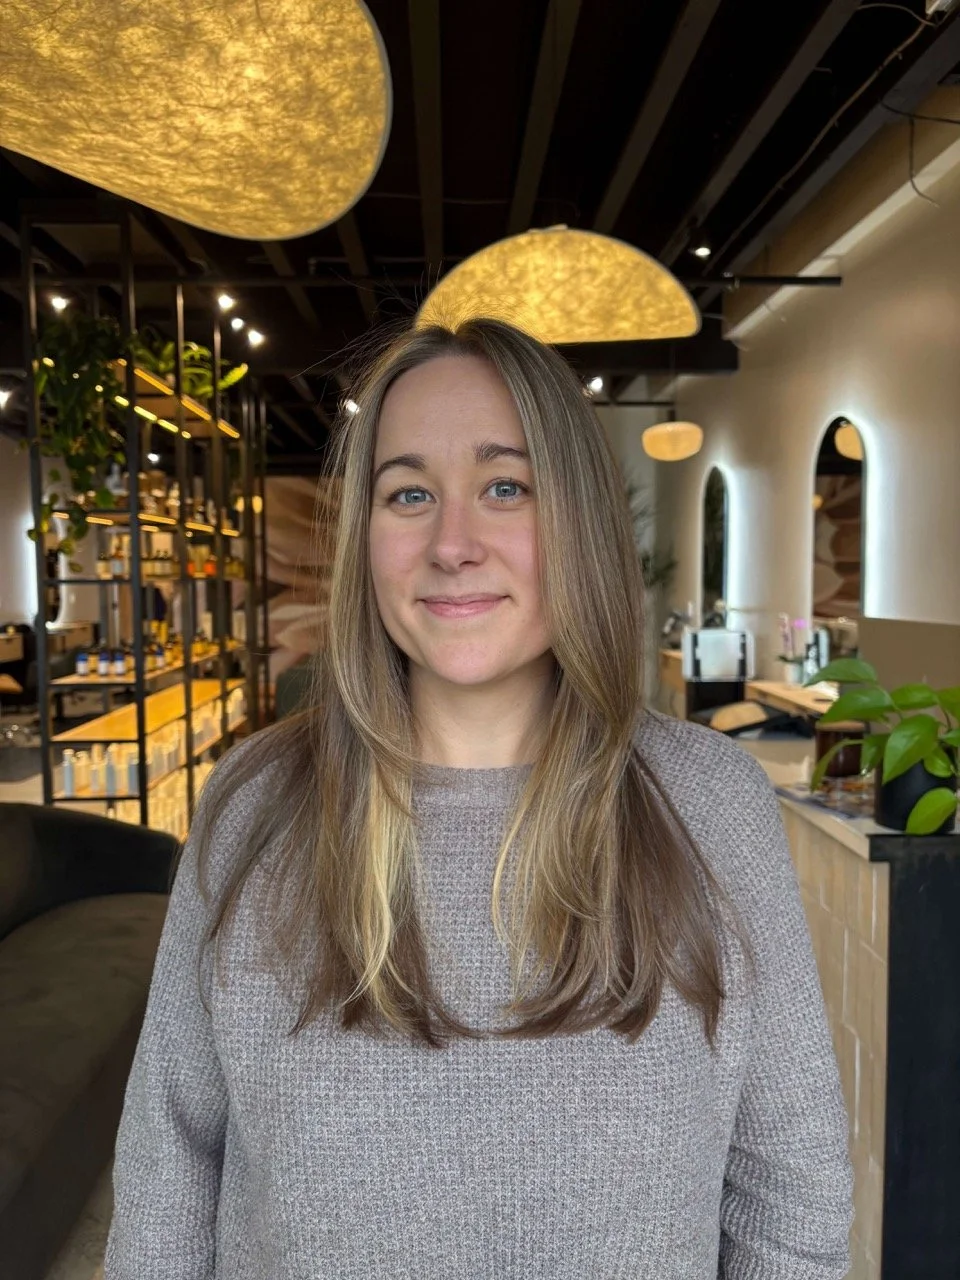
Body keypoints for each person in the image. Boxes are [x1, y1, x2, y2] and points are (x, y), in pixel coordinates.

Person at [104, 318, 853, 1278]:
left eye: (506, 487)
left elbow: (788, 1197)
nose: (453, 544)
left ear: (576, 519)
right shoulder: (253, 804)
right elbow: (167, 1181)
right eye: (409, 492)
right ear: (365, 539)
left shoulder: (709, 805)